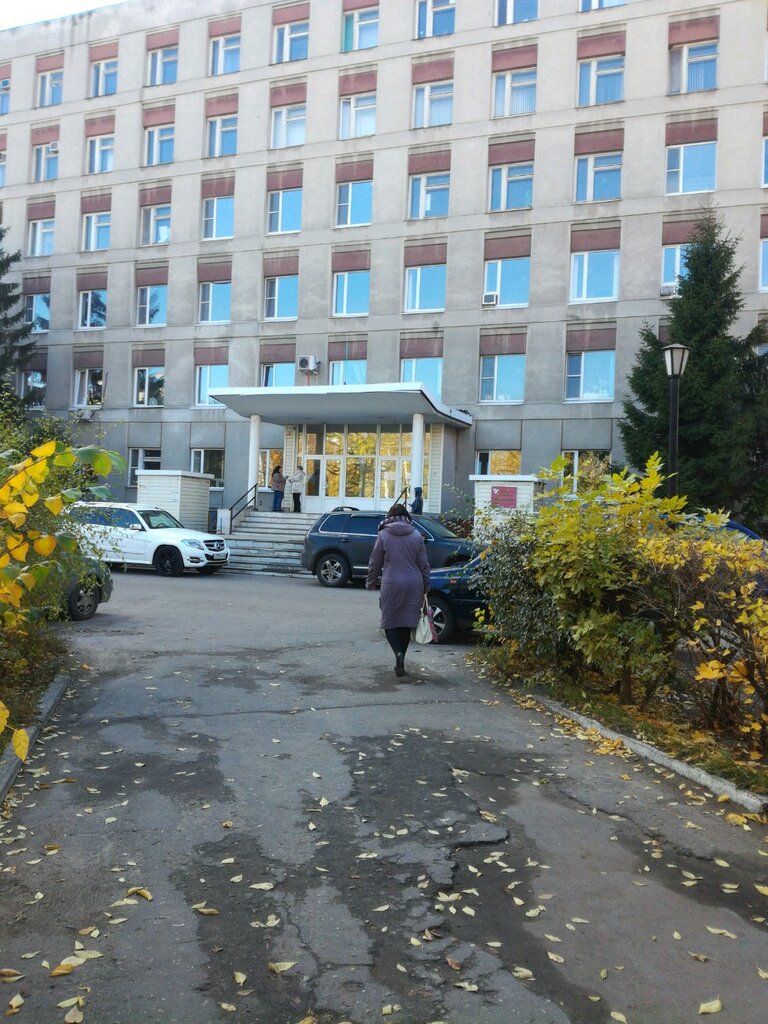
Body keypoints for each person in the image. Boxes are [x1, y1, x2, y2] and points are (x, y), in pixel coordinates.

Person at [366, 504, 430, 678]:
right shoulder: (416, 535)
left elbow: (375, 562)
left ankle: (398, 654)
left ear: (389, 517)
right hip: (414, 583)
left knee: (390, 621)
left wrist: (371, 581)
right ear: (407, 517)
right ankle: (401, 657)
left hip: (391, 582)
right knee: (407, 622)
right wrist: (427, 584)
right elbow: (424, 564)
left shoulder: (383, 534)